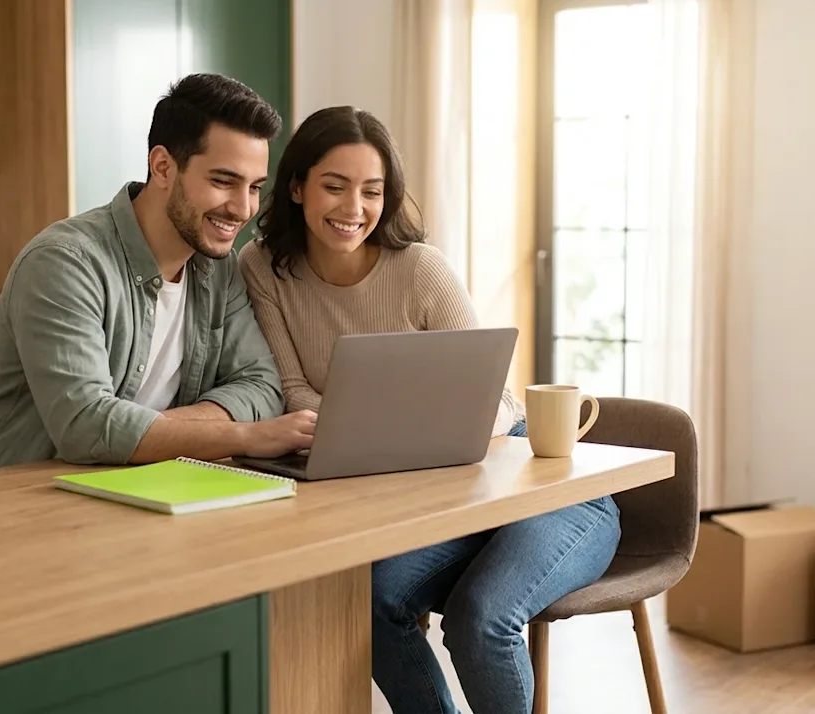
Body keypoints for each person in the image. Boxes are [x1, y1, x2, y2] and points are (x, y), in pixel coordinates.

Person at [237, 106, 621, 714]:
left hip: (542, 494)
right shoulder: (263, 267)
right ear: (296, 186)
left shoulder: (420, 269)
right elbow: (295, 391)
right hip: (445, 503)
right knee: (368, 597)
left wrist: (383, 434)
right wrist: (401, 439)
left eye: (372, 191)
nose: (353, 208)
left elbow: (495, 399)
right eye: (335, 186)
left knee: (480, 617)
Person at [0, 74, 317, 476]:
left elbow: (261, 384)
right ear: (162, 167)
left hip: (131, 490)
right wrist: (245, 436)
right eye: (223, 181)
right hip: (1, 503)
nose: (243, 209)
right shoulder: (64, 263)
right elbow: (86, 426)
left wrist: (139, 430)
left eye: (254, 187)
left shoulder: (219, 269)